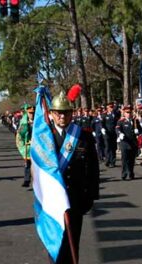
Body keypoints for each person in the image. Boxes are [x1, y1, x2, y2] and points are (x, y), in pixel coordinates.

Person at [48, 91, 100, 263]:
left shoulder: (83, 136)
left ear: (72, 113)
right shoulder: (44, 137)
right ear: (52, 114)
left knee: (72, 243)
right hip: (51, 201)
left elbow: (93, 168)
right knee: (54, 244)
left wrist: (91, 196)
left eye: (66, 112)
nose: (62, 116)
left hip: (76, 198)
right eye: (59, 112)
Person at [116, 106, 140, 180]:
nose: (129, 114)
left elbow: (140, 129)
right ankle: (124, 173)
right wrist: (120, 134)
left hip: (133, 142)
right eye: (127, 112)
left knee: (131, 159)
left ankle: (131, 173)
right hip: (125, 142)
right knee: (124, 159)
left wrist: (138, 131)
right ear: (124, 113)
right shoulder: (121, 121)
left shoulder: (135, 121)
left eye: (130, 112)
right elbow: (117, 129)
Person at [16, 104, 35, 187]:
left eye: (33, 113)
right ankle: (26, 180)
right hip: (28, 146)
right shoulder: (24, 124)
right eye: (30, 113)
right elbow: (20, 137)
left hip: (38, 147)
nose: (32, 114)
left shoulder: (40, 123)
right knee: (27, 164)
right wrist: (23, 148)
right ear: (27, 113)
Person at [102, 102, 118, 168]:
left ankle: (113, 162)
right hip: (107, 133)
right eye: (110, 107)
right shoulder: (104, 115)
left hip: (114, 133)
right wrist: (102, 128)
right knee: (108, 147)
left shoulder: (116, 114)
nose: (111, 108)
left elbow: (118, 122)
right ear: (107, 108)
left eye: (112, 107)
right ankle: (107, 160)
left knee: (113, 147)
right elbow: (102, 123)